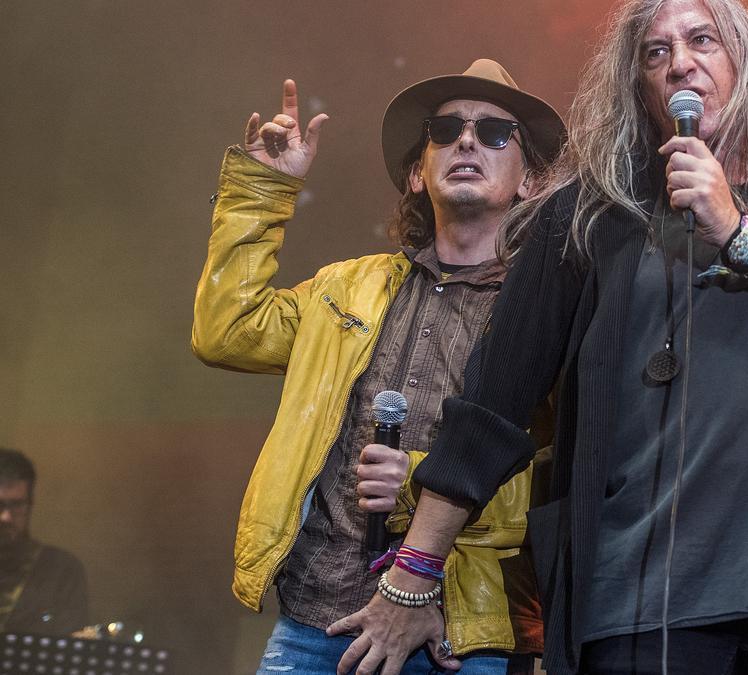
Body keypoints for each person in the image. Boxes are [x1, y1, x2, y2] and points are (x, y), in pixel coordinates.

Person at [329, 1, 748, 673]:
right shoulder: (584, 218)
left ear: (746, 61)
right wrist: (414, 569)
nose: (681, 63)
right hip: (634, 611)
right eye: (656, 52)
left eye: (703, 40)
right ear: (638, 85)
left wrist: (737, 232)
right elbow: (493, 403)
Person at [191, 59, 564, 675]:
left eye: (496, 132)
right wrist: (261, 192)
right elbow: (227, 333)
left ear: (529, 181)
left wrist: (420, 479)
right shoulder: (347, 288)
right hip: (316, 621)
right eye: (444, 131)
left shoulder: (546, 312)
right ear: (417, 174)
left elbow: (557, 470)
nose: (467, 140)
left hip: (455, 636)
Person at [0, 448, 88, 636]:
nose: (6, 517)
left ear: (30, 504)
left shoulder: (61, 570)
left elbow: (68, 652)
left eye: (16, 505)